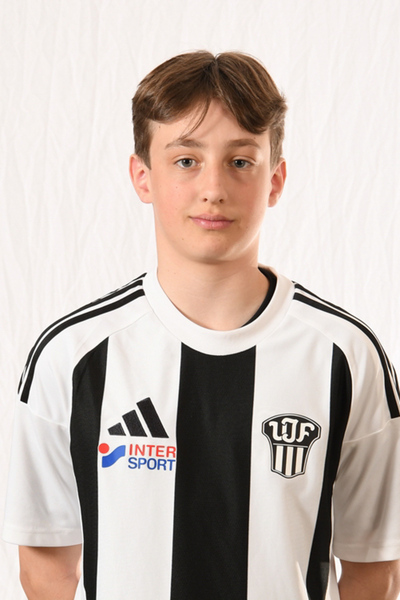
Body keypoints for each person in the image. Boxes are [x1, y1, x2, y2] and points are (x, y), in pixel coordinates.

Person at [3, 51, 400, 600]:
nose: (213, 187)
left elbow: (374, 568)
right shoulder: (71, 356)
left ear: (275, 180)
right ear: (142, 176)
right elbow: (46, 565)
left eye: (240, 161)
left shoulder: (346, 356)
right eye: (186, 160)